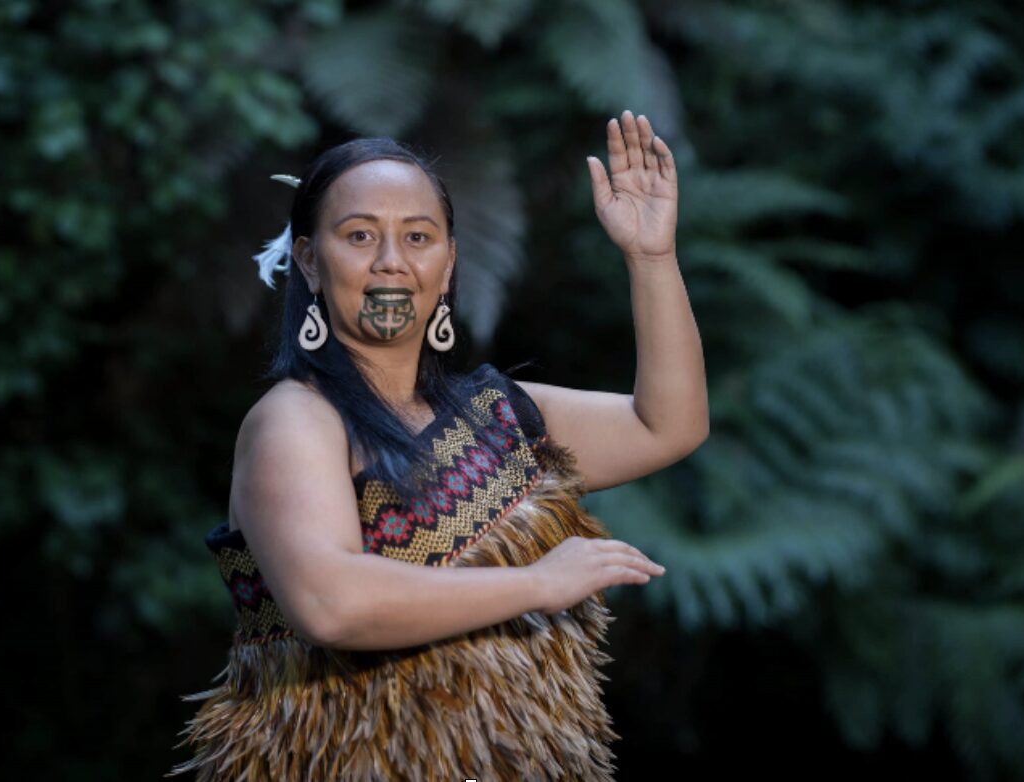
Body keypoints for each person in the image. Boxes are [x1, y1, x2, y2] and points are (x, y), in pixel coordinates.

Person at [169, 110, 708, 781]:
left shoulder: (493, 415)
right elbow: (330, 603)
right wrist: (537, 583)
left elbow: (670, 426)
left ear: (448, 262)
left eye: (418, 236)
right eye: (359, 235)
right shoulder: (295, 422)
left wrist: (651, 256)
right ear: (309, 260)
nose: (391, 261)